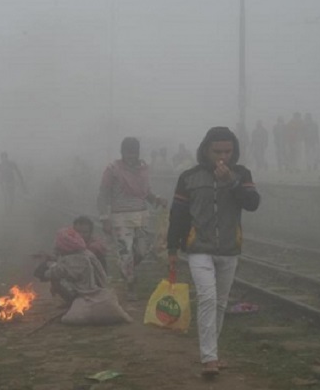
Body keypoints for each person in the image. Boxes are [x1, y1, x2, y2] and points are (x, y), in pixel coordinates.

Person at [166, 127, 260, 378]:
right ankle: (209, 358)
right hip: (199, 248)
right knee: (207, 298)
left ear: (234, 151)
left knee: (219, 302)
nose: (222, 157)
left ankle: (213, 352)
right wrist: (172, 247)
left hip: (230, 249)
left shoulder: (242, 174)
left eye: (228, 151)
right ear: (206, 150)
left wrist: (232, 182)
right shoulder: (189, 177)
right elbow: (178, 214)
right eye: (217, 151)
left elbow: (252, 204)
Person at [97, 137, 167, 301]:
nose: (131, 156)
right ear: (122, 153)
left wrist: (157, 199)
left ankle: (126, 270)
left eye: (134, 152)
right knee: (126, 253)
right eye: (127, 152)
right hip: (120, 218)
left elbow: (146, 192)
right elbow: (103, 195)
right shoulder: (113, 169)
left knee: (143, 250)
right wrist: (104, 218)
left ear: (138, 153)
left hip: (141, 216)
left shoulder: (143, 169)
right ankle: (130, 284)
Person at [34, 227, 108, 306]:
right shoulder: (84, 253)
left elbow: (56, 272)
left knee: (57, 280)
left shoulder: (74, 259)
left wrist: (43, 272)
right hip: (97, 289)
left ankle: (74, 303)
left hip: (89, 295)